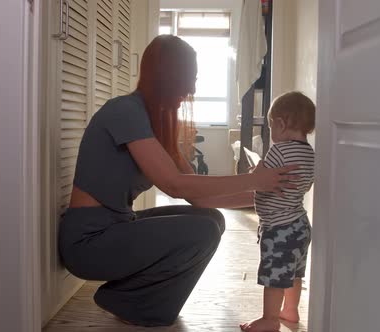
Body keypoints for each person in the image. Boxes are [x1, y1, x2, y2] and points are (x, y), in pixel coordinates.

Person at [57, 35, 299, 327]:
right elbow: (175, 185)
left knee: (211, 219)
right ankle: (133, 303)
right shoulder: (124, 111)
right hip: (88, 243)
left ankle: (127, 298)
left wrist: (265, 193)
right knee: (202, 231)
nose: (192, 88)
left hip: (117, 228)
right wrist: (253, 179)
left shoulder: (154, 123)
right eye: (188, 78)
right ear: (166, 75)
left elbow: (199, 196)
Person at [240, 91, 316, 332]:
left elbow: (261, 180)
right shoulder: (310, 154)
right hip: (300, 224)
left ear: (281, 124)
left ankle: (270, 320)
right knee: (294, 270)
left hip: (279, 226)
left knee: (274, 275)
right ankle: (290, 311)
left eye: (271, 125)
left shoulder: (279, 151)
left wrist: (257, 170)